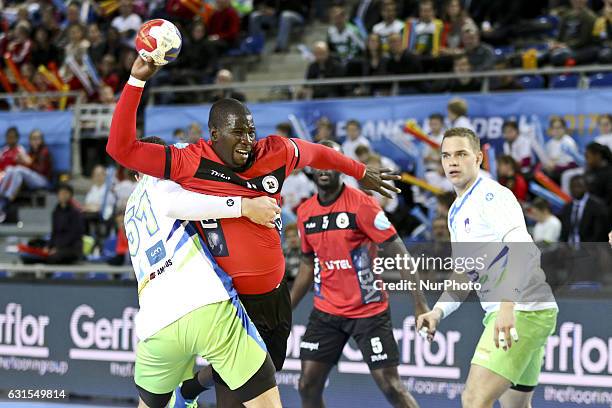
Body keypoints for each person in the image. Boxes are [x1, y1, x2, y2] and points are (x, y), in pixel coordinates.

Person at [107, 55, 400, 407]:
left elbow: (318, 154)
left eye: (251, 130)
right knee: (241, 399)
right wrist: (136, 81)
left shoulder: (275, 151)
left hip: (275, 295)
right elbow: (122, 149)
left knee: (268, 373)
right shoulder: (189, 163)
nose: (247, 139)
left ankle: (192, 387)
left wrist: (360, 171)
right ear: (214, 135)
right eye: (237, 132)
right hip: (232, 303)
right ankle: (193, 389)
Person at [125, 136, 284, 408]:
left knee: (151, 404)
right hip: (205, 305)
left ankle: (189, 389)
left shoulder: (130, 207)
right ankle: (191, 388)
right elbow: (176, 203)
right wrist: (244, 206)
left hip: (155, 325)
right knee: (265, 401)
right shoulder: (161, 179)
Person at [417, 127, 558, 408]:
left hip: (521, 309)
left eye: (461, 154)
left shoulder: (492, 196)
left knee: (474, 398)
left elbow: (525, 249)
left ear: (478, 158)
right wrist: (438, 310)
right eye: (446, 156)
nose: (453, 162)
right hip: (528, 309)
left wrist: (507, 306)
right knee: (515, 406)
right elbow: (465, 272)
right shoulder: (457, 211)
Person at [291, 140, 428, 408]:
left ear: (342, 167)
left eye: (332, 161)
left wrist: (420, 302)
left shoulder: (362, 205)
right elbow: (308, 265)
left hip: (368, 313)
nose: (324, 168)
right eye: (319, 162)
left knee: (392, 387)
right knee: (307, 385)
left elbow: (399, 251)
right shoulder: (305, 212)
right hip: (326, 312)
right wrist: (285, 311)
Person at [0, 129, 52, 221]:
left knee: (18, 170)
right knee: (11, 169)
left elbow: (41, 170)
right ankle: (4, 194)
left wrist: (28, 163)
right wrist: (22, 162)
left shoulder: (44, 151)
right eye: (33, 139)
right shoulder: (31, 152)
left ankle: (7, 196)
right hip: (31, 180)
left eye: (37, 138)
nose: (35, 141)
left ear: (42, 140)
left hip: (43, 181)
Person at [560, 175, 610, 243]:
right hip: (568, 248)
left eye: (579, 186)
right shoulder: (567, 207)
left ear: (586, 187)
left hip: (590, 247)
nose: (575, 189)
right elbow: (564, 233)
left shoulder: (597, 206)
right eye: (572, 187)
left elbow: (599, 234)